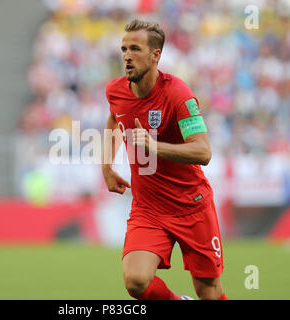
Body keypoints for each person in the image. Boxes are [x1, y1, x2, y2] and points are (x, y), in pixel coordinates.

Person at [102, 19, 228, 300]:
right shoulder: (116, 91)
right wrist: (106, 166)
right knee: (135, 281)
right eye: (123, 48)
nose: (126, 55)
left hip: (191, 206)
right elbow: (114, 117)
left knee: (207, 290)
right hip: (148, 209)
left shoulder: (177, 94)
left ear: (155, 55)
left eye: (135, 48)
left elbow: (203, 152)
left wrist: (154, 146)